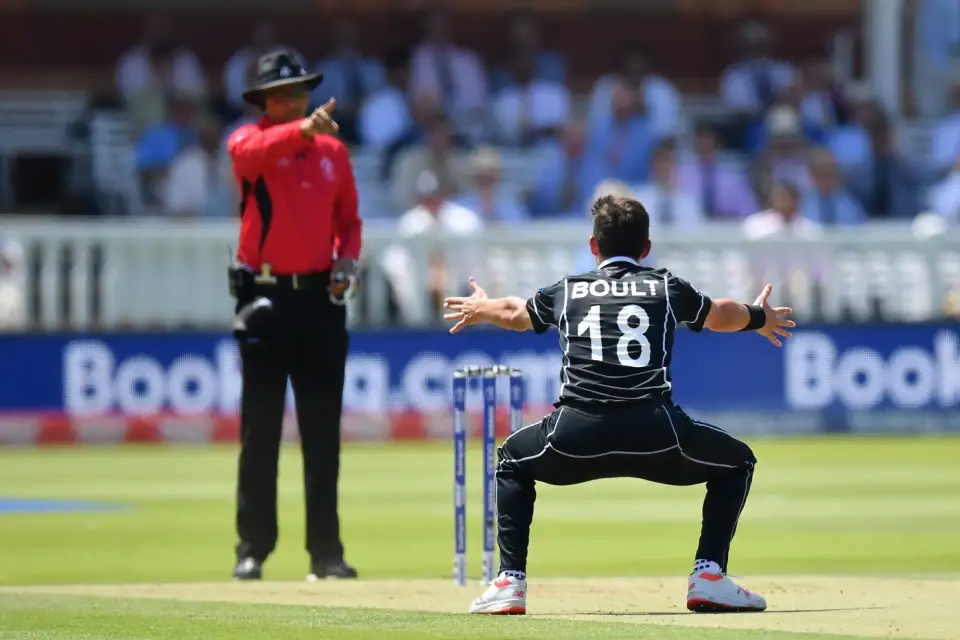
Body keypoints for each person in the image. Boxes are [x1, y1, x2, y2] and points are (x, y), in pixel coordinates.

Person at [442, 195, 795, 615]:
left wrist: (482, 309)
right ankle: (709, 576)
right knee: (738, 462)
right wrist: (759, 317)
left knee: (512, 460)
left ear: (594, 245)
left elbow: (517, 312)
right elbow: (719, 314)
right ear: (646, 248)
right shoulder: (665, 286)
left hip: (574, 436)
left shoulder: (568, 290)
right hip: (657, 434)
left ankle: (510, 583)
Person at [226, 49, 362, 581]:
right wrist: (301, 129)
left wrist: (347, 258)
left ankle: (326, 552)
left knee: (322, 431)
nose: (297, 101)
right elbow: (249, 157)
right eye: (285, 94)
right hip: (265, 298)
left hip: (318, 301)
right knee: (259, 430)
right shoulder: (250, 141)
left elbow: (349, 219)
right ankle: (252, 548)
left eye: (302, 92)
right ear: (265, 101)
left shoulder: (332, 150)